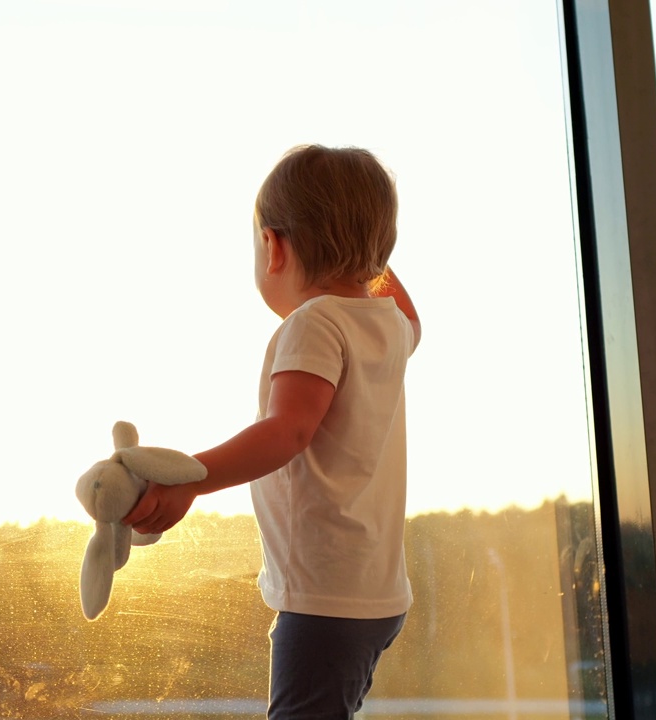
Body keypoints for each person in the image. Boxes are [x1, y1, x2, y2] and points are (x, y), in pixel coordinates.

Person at [122, 144, 421, 720]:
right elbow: (408, 311)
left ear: (272, 246)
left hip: (324, 599)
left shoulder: (316, 322)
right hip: (378, 595)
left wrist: (190, 480)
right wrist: (365, 242)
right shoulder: (389, 327)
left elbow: (287, 431)